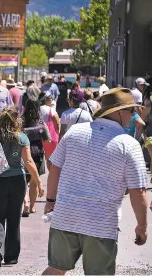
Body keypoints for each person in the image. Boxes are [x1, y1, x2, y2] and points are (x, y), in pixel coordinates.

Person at [42, 88, 149, 275]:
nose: (133, 116)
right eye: (130, 111)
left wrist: (51, 201)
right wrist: (142, 226)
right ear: (118, 113)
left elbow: (55, 168)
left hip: (66, 215)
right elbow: (138, 190)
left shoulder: (74, 132)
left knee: (56, 270)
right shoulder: (128, 144)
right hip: (101, 223)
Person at [0, 107, 44, 269]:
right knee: (13, 218)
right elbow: (29, 161)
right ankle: (11, 257)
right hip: (17, 180)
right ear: (16, 121)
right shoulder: (21, 138)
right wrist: (38, 182)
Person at [21, 98, 50, 217]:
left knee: (23, 181)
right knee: (34, 181)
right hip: (37, 153)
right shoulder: (41, 124)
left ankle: (26, 203)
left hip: (24, 153)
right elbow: (48, 141)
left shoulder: (21, 122)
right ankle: (32, 206)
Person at [39, 92, 60, 171]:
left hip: (39, 136)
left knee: (44, 158)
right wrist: (58, 133)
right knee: (51, 158)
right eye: (50, 98)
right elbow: (57, 122)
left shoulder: (37, 109)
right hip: (51, 137)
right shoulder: (51, 109)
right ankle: (52, 174)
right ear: (46, 99)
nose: (52, 99)